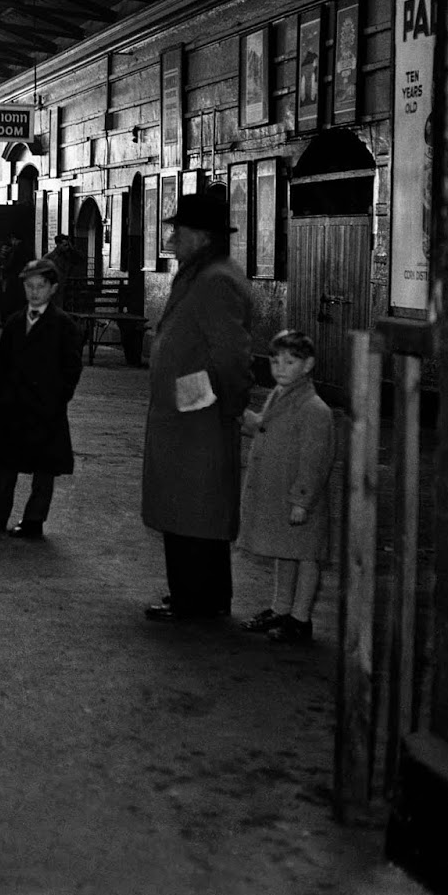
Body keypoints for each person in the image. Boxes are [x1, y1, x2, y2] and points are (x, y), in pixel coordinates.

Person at [141, 192, 254, 622]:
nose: (171, 236)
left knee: (195, 510)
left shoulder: (215, 279)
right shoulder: (200, 272)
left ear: (199, 236)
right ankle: (196, 594)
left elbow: (232, 353)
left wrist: (228, 404)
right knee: (187, 507)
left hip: (200, 416)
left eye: (178, 230)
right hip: (187, 414)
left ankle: (197, 599)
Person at [0, 257, 84, 538]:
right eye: (30, 286)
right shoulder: (14, 322)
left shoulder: (63, 325)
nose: (34, 292)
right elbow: (1, 359)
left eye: (41, 286)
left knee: (43, 467)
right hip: (12, 404)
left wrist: (58, 399)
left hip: (46, 406)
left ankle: (34, 520)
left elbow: (71, 367)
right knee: (5, 463)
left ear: (53, 288)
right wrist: (0, 391)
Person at [236, 330, 337, 644]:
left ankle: (301, 618)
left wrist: (302, 501)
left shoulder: (315, 409)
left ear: (308, 366)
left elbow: (315, 461)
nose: (280, 367)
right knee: (286, 551)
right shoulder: (280, 394)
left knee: (306, 556)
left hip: (299, 498)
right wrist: (242, 417)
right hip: (280, 491)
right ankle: (281, 608)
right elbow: (269, 426)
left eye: (290, 361)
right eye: (275, 360)